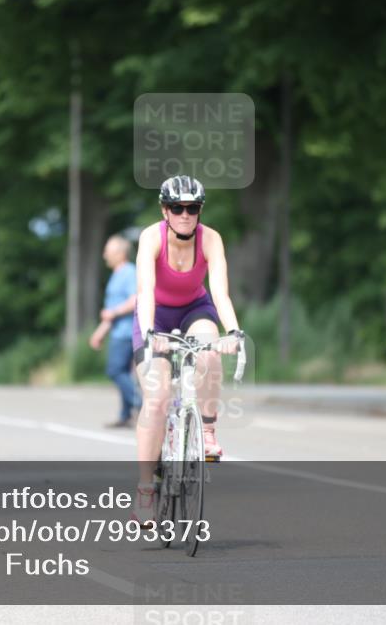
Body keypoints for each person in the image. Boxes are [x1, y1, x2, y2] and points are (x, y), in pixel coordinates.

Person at [131, 175, 244, 527]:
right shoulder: (151, 238)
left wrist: (233, 332)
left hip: (195, 309)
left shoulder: (211, 239)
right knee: (158, 398)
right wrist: (151, 333)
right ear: (165, 210)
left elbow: (220, 293)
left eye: (192, 208)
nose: (185, 215)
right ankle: (146, 491)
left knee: (209, 352)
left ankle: (207, 431)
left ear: (200, 210)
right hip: (156, 316)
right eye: (177, 208)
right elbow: (146, 291)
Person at [89, 235, 142, 428]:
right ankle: (126, 414)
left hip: (128, 332)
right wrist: (100, 332)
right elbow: (111, 313)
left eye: (108, 251)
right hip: (118, 331)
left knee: (115, 370)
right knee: (124, 372)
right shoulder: (116, 274)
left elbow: (135, 299)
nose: (104, 255)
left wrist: (113, 312)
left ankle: (141, 405)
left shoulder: (128, 272)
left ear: (120, 253)